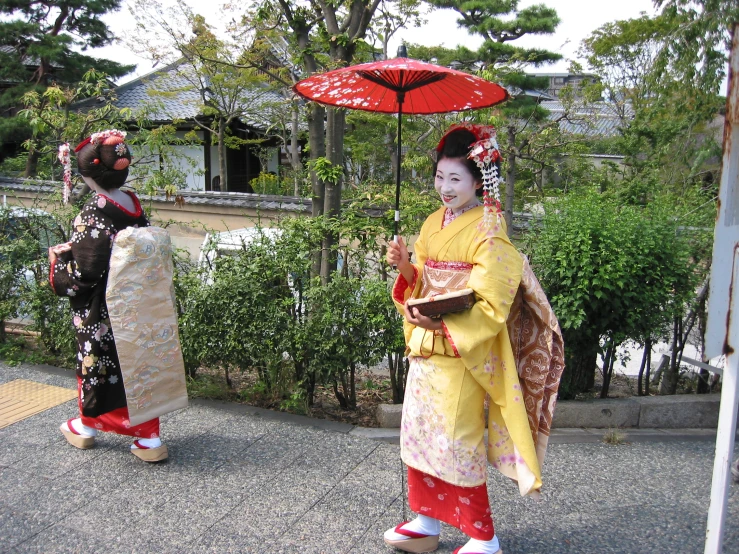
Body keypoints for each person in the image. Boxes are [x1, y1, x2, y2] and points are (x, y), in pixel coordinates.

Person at [384, 123, 562, 554]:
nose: (444, 188)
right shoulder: (432, 223)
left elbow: (493, 301)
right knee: (420, 437)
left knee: (458, 442)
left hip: (460, 354)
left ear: (478, 181)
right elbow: (422, 281)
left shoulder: (490, 228)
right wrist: (407, 267)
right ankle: (426, 522)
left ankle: (484, 536)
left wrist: (442, 323)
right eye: (440, 177)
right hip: (426, 352)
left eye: (455, 179)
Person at [50, 129, 168, 463]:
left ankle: (88, 426)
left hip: (104, 306)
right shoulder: (131, 203)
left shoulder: (93, 211)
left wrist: (58, 263)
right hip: (137, 300)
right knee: (137, 364)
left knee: (99, 364)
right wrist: (77, 247)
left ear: (87, 173)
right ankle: (149, 437)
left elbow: (86, 272)